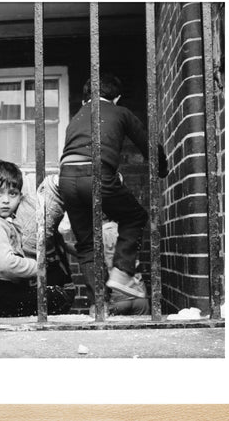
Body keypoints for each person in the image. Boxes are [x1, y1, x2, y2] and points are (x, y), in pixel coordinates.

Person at [58, 73, 168, 309]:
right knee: (135, 216)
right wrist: (162, 168)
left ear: (84, 100)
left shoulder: (76, 117)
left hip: (66, 178)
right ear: (116, 98)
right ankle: (121, 271)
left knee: (87, 244)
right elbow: (147, 144)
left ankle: (98, 304)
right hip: (96, 174)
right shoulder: (120, 112)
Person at [0, 161, 72, 317]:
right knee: (56, 298)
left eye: (12, 193)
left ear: (20, 196)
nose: (5, 200)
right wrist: (38, 267)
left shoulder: (4, 221)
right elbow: (6, 264)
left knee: (53, 292)